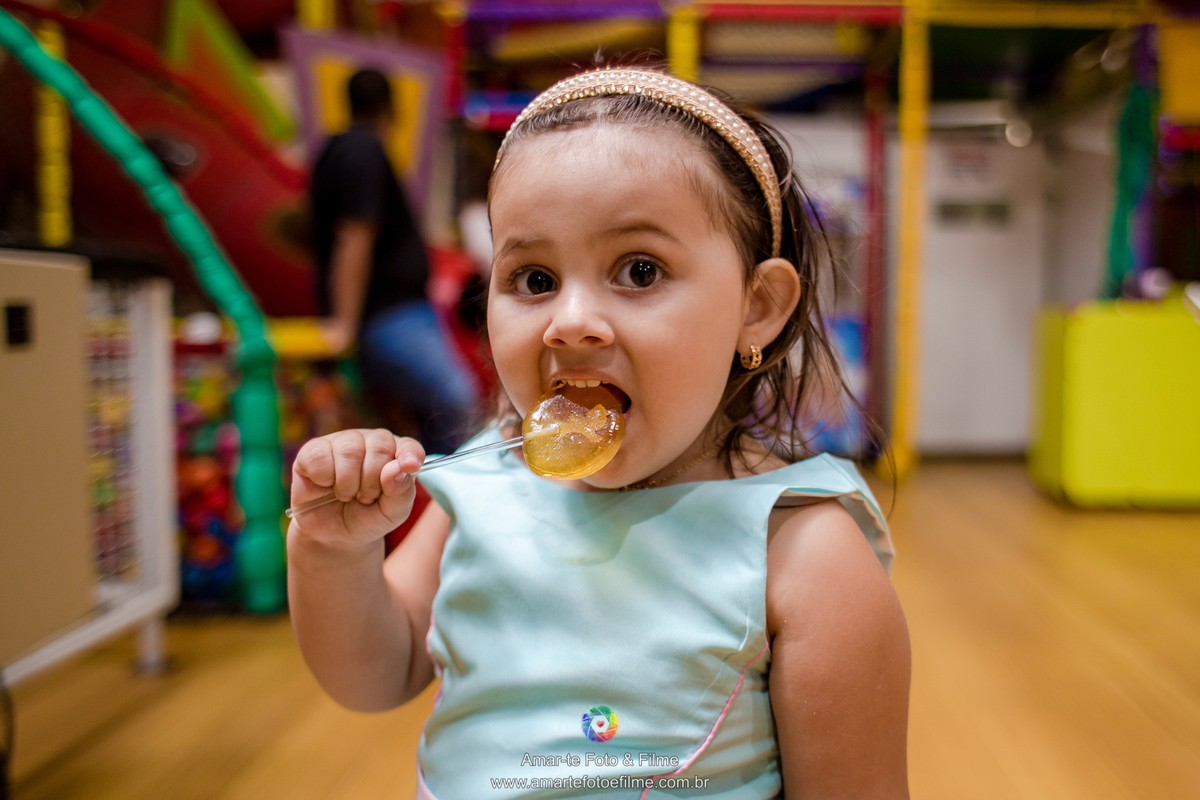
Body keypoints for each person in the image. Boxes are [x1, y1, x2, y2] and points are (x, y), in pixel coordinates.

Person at [288, 67, 910, 799]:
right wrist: (333, 553)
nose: (569, 320)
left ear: (758, 305)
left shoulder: (803, 551)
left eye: (639, 270)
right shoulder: (481, 493)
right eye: (534, 279)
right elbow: (375, 673)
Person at [309, 68, 478, 455]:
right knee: (458, 396)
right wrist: (344, 325)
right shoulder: (362, 153)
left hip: (392, 314)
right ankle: (462, 500)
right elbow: (355, 237)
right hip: (390, 315)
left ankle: (438, 500)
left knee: (430, 417)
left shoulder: (337, 152)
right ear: (392, 111)